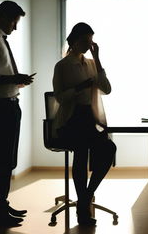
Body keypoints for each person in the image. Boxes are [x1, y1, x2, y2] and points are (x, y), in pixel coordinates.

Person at [52, 22, 116, 226]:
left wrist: (97, 59)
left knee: (108, 149)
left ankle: (85, 197)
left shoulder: (90, 63)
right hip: (72, 119)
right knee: (81, 152)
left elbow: (107, 89)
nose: (88, 45)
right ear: (74, 41)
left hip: (91, 117)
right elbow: (60, 98)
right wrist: (80, 88)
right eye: (84, 41)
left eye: (91, 41)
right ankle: (83, 208)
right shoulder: (62, 65)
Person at [0, 0, 35, 227]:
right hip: (1, 106)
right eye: (15, 22)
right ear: (5, 17)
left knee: (8, 160)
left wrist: (17, 82)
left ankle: (2, 205)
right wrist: (14, 79)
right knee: (3, 161)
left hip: (10, 103)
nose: (15, 27)